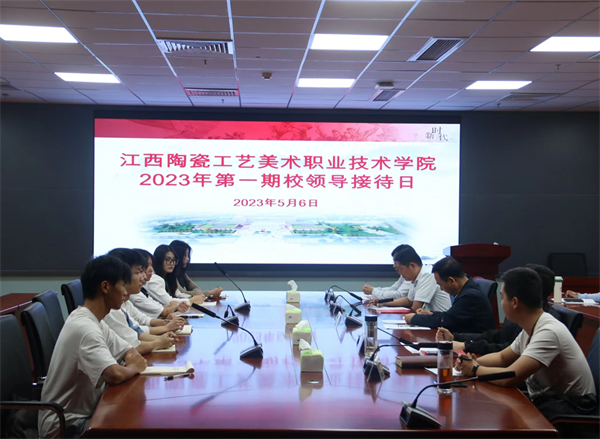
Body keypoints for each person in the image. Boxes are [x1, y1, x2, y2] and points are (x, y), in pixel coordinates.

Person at [455, 267, 596, 425]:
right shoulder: (532, 326)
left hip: (572, 412)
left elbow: (510, 376)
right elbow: (502, 357)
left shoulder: (548, 332)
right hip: (548, 402)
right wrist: (472, 362)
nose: (501, 303)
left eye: (502, 297)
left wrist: (474, 369)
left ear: (515, 302)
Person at [39, 255, 147, 439]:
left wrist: (130, 361)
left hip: (85, 413)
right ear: (105, 287)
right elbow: (114, 374)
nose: (125, 293)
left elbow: (128, 350)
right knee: (134, 426)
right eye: (122, 285)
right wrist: (134, 367)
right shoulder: (86, 328)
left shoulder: (94, 320)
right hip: (65, 425)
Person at [436, 264, 558, 355]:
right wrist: (455, 337)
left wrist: (467, 348)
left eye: (502, 297)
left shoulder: (544, 328)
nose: (501, 302)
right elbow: (498, 337)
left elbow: (508, 356)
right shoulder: (526, 317)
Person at [103, 248, 184, 354]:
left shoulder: (125, 301)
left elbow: (137, 329)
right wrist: (161, 338)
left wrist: (164, 330)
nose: (144, 277)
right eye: (139, 272)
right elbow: (133, 344)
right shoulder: (112, 309)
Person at [406, 256, 495, 333]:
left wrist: (414, 318)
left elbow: (446, 321)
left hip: (473, 343)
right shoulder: (468, 289)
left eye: (441, 285)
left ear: (451, 281)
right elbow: (450, 316)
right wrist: (431, 314)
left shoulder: (470, 296)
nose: (441, 289)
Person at [370, 246, 452, 313]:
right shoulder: (415, 277)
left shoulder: (427, 274)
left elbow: (416, 307)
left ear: (412, 265)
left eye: (401, 269)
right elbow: (408, 300)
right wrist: (383, 302)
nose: (400, 273)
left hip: (441, 323)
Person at [129, 248, 189, 318]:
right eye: (140, 271)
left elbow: (158, 307)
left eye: (174, 260)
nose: (151, 269)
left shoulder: (142, 290)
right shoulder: (152, 281)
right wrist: (177, 305)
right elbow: (163, 310)